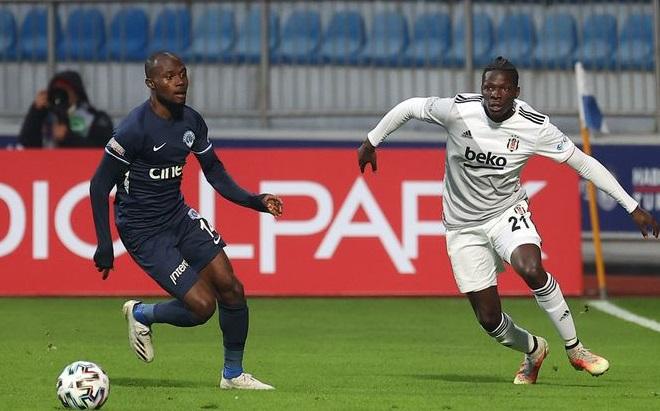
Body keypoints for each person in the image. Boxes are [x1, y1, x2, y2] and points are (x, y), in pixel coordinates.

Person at [357, 56, 659, 385]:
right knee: (489, 319)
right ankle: (534, 349)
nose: (494, 94)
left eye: (502, 88)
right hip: (462, 226)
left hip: (506, 212)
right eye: (489, 87)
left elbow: (583, 163)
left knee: (530, 267)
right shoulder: (458, 110)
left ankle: (576, 349)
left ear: (516, 91)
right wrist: (372, 141)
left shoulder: (534, 126)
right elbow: (410, 107)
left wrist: (632, 206)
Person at [89, 51, 283, 390]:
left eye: (182, 73)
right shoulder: (134, 129)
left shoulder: (191, 121)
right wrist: (104, 243)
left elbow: (215, 173)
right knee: (202, 307)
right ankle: (141, 314)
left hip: (178, 216)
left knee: (232, 288)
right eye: (169, 77)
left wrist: (255, 201)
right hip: (143, 231)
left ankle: (233, 375)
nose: (179, 82)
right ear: (151, 83)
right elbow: (99, 185)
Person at [19, 70, 113, 148]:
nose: (60, 95)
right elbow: (27, 143)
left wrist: (68, 137)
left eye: (65, 90)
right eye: (56, 90)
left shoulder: (94, 117)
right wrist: (35, 111)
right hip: (46, 163)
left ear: (76, 92)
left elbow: (103, 149)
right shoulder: (44, 114)